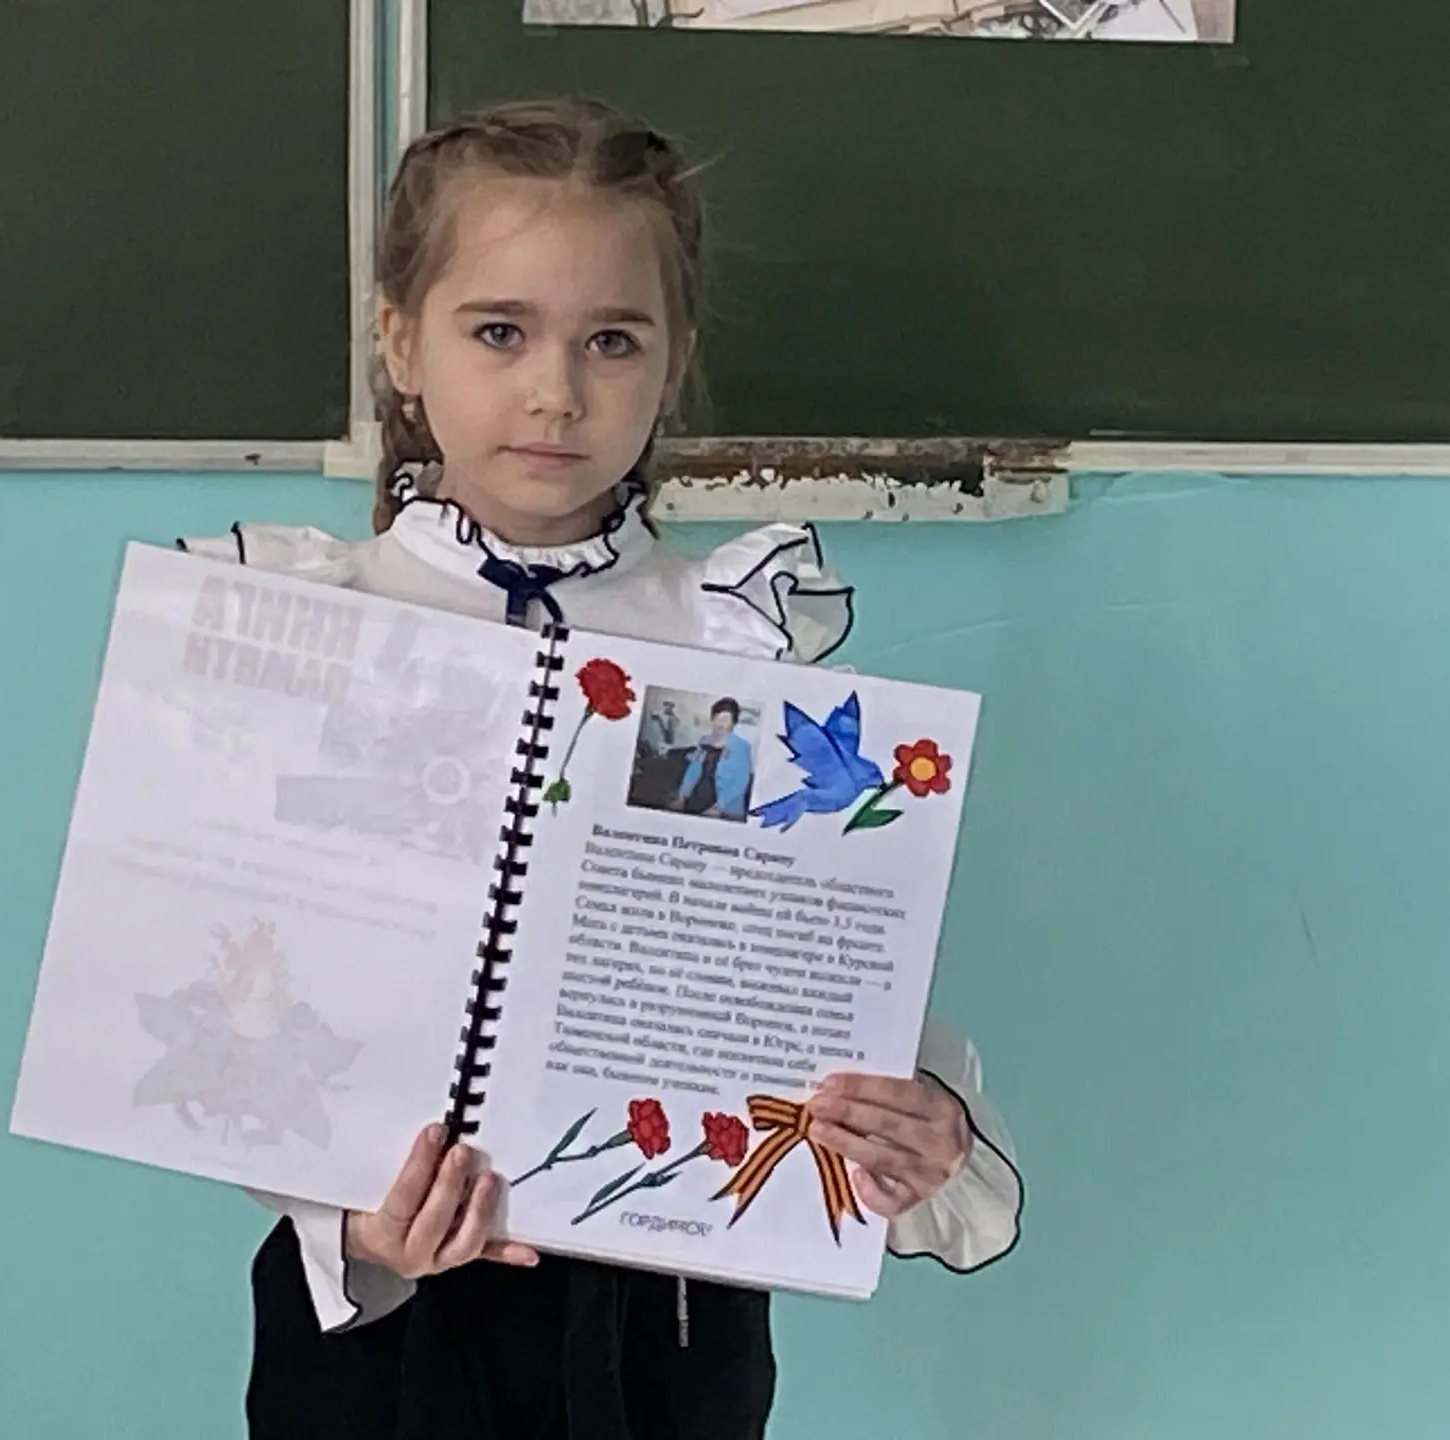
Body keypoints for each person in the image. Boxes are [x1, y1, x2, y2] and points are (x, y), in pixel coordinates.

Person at [178, 97, 1022, 1440]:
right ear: (399, 341)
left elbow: (799, 950)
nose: (556, 391)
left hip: (664, 1321)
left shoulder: (725, 646)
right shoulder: (311, 628)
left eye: (611, 341)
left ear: (673, 362)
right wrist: (355, 1226)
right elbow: (228, 992)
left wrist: (927, 1122)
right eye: (498, 332)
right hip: (378, 1310)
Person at [672, 696, 753, 819]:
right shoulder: (704, 740)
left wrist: (719, 807)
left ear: (733, 723)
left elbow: (740, 783)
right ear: (712, 719)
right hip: (698, 798)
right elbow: (693, 769)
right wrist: (681, 797)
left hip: (725, 806)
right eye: (717, 718)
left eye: (725, 719)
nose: (720, 724)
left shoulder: (741, 746)